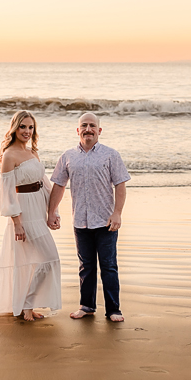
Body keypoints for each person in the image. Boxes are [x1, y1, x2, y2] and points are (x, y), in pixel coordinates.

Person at [48, 112, 130, 322]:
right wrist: (52, 211)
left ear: (99, 130)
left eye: (92, 125)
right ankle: (87, 306)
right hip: (80, 222)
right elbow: (58, 184)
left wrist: (117, 213)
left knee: (109, 266)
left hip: (105, 221)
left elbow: (120, 184)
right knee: (86, 266)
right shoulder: (67, 156)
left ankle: (113, 310)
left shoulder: (111, 155)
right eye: (84, 125)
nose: (88, 129)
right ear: (78, 130)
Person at [0, 110, 62, 321]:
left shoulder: (33, 152)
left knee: (43, 259)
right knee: (49, 258)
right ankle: (27, 305)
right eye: (23, 127)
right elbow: (7, 192)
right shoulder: (9, 155)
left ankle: (26, 304)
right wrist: (17, 223)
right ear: (14, 128)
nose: (27, 131)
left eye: (31, 127)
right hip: (24, 214)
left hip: (39, 209)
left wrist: (53, 211)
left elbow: (45, 185)